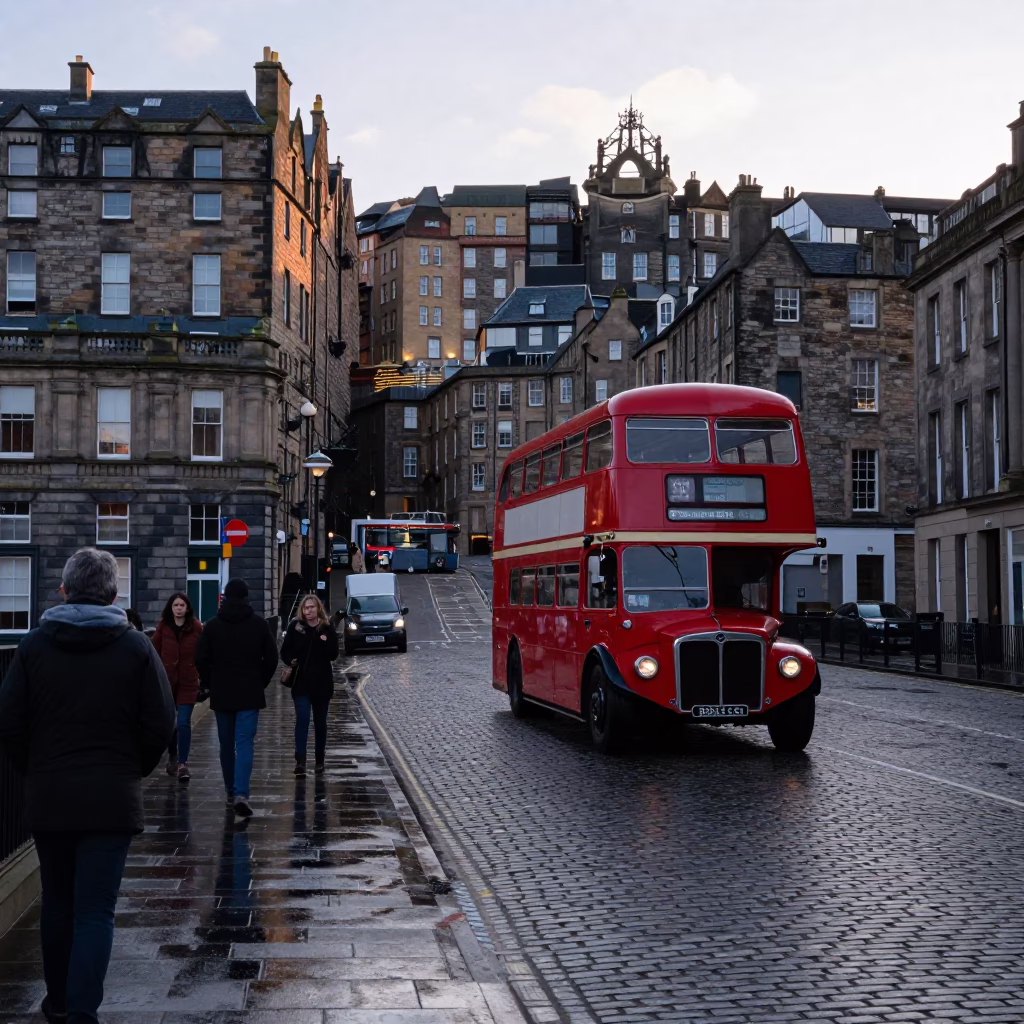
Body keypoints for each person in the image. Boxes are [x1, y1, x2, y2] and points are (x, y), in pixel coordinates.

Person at [0, 548, 174, 1024]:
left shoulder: (34, 647)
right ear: (113, 593)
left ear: (64, 590)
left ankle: (57, 1003)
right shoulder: (136, 646)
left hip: (51, 794)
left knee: (57, 902)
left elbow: (9, 721)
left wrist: (35, 768)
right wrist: (131, 768)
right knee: (96, 910)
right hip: (110, 797)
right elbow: (162, 721)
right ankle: (81, 1011)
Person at [194, 577, 278, 818]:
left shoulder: (212, 626)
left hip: (223, 692)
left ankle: (231, 791)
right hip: (250, 691)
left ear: (225, 596)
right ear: (246, 596)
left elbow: (200, 658)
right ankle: (242, 793)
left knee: (226, 745)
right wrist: (260, 681)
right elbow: (272, 658)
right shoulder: (259, 625)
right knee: (245, 744)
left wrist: (211, 681)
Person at [280, 595, 339, 776]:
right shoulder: (295, 627)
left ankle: (319, 761)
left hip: (322, 684)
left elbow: (333, 654)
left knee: (320, 724)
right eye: (306, 608)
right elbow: (284, 651)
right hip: (301, 684)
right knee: (302, 721)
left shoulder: (327, 628)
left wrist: (323, 640)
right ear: (302, 611)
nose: (309, 611)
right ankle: (300, 762)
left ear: (318, 608)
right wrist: (291, 660)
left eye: (312, 607)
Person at [151, 592, 204, 783]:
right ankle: (172, 756)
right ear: (171, 608)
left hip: (188, 681)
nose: (179, 608)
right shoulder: (163, 627)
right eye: (176, 605)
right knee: (171, 723)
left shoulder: (196, 627)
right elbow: (153, 650)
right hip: (167, 681)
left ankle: (183, 763)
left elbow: (203, 652)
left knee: (183, 722)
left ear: (187, 607)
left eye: (182, 605)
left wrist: (201, 675)